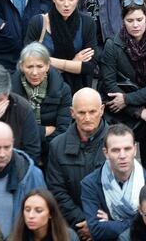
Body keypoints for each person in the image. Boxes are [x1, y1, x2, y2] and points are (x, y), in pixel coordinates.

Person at [99, 0, 146, 171]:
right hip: (122, 111)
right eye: (130, 21)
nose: (135, 25)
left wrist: (128, 99)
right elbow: (109, 83)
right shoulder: (112, 45)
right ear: (123, 21)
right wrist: (137, 110)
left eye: (139, 19)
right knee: (121, 158)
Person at [80, 124, 146, 241]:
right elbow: (96, 230)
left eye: (127, 149)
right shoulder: (90, 184)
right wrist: (144, 222)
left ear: (135, 150)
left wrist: (111, 222)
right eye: (116, 150)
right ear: (106, 153)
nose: (122, 155)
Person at [46, 87, 108, 238]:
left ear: (102, 110)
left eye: (92, 112)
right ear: (72, 113)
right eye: (81, 113)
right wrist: (82, 221)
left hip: (110, 225)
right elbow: (57, 192)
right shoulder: (57, 146)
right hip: (74, 228)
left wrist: (101, 224)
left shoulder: (118, 141)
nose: (87, 118)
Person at [22, 0, 96, 93]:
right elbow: (28, 61)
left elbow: (88, 67)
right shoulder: (38, 23)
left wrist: (45, 61)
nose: (66, 4)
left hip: (78, 91)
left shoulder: (87, 23)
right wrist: (73, 63)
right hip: (43, 90)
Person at [11, 43, 72, 161]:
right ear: (21, 66)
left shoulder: (63, 90)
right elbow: (11, 130)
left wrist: (30, 134)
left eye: (39, 66)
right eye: (29, 67)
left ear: (48, 66)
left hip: (52, 150)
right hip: (20, 151)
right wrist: (44, 130)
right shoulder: (10, 92)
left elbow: (63, 130)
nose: (35, 72)